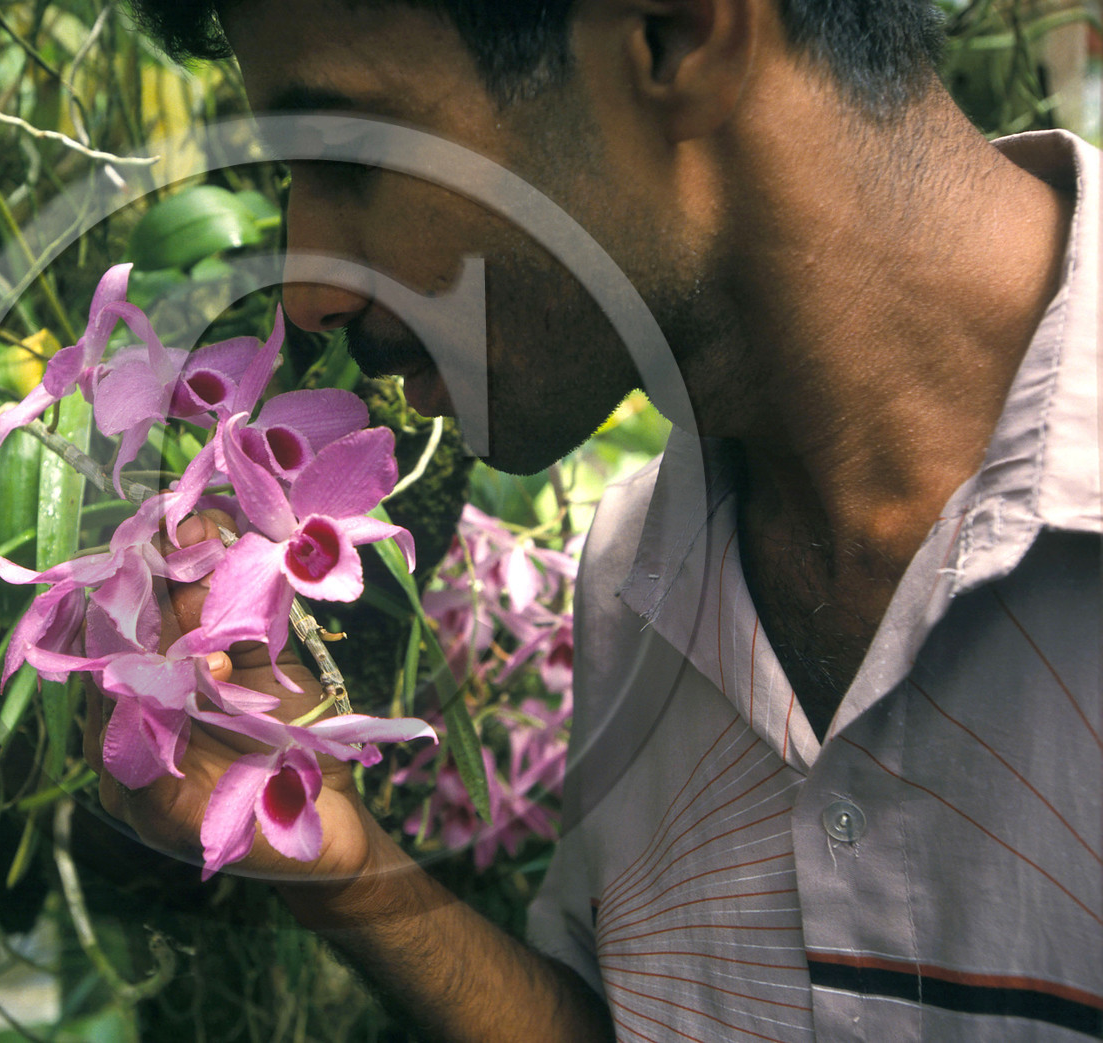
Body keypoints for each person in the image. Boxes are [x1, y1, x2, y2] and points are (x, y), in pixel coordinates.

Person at [85, 0, 1102, 1039]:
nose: (306, 292)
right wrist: (358, 881)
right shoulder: (642, 577)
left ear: (672, 37)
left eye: (352, 155)